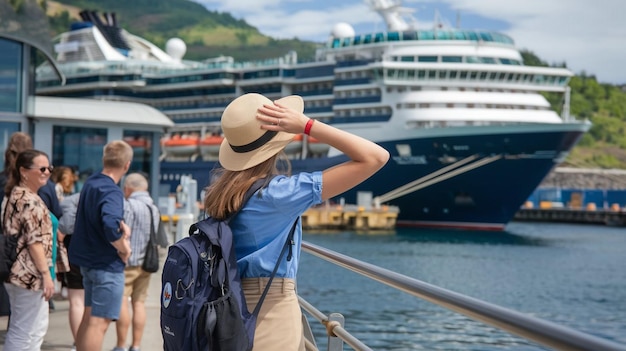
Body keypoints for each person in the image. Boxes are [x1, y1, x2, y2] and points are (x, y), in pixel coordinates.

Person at [203, 93, 389, 350]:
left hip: (224, 299)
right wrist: (307, 125)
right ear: (276, 146)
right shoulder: (279, 194)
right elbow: (375, 157)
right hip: (270, 306)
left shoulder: (220, 191)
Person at [68, 140, 133, 351]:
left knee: (89, 318)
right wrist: (124, 248)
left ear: (104, 159)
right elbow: (109, 224)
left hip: (88, 262)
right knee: (100, 323)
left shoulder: (91, 183)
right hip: (106, 265)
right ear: (126, 165)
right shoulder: (112, 191)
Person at [1, 149, 55, 349]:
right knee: (25, 330)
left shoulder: (13, 195)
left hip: (16, 272)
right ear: (24, 171)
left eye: (49, 168)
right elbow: (34, 241)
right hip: (29, 274)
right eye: (41, 168)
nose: (47, 172)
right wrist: (45, 274)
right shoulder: (29, 200)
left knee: (32, 327)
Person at [113, 172, 159, 351]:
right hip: (146, 264)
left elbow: (123, 234)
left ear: (128, 188)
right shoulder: (153, 207)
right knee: (139, 303)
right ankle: (137, 346)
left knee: (122, 302)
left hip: (127, 261)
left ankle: (121, 345)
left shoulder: (128, 205)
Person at [0, 131, 33, 320]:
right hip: (26, 250)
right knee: (22, 313)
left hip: (4, 247)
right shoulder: (34, 183)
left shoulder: (3, 179)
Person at [57, 192, 84, 351]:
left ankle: (78, 343)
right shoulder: (104, 199)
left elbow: (66, 226)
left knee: (76, 302)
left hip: (74, 252)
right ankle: (88, 339)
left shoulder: (70, 201)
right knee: (89, 303)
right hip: (96, 256)